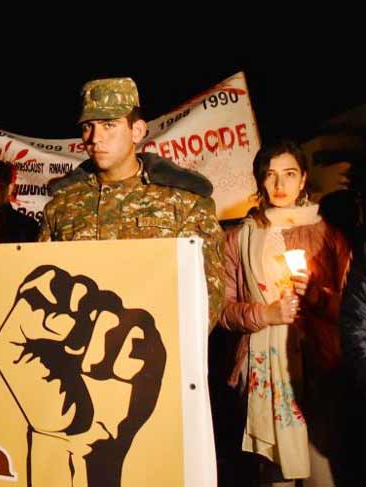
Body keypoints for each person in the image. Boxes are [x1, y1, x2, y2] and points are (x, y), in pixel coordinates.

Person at [39, 77, 225, 329]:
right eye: (88, 127)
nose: (95, 138)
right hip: (76, 345)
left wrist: (164, 342)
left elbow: (208, 294)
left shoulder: (183, 202)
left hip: (151, 344)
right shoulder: (62, 206)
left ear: (137, 131)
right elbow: (46, 283)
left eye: (109, 125)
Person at [219, 141, 350, 486]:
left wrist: (317, 295)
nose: (280, 185)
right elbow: (223, 310)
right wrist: (265, 314)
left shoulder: (327, 234)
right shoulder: (238, 238)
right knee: (275, 473)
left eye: (289, 174)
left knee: (321, 470)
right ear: (259, 180)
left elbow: (351, 308)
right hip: (263, 368)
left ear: (303, 179)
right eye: (271, 174)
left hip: (317, 366)